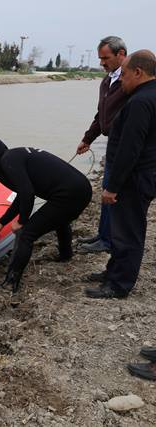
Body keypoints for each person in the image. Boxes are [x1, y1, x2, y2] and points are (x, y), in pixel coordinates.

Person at [0, 136, 92, 293]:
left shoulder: (8, 159)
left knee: (26, 234)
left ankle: (11, 282)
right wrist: (2, 223)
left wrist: (22, 221)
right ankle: (66, 255)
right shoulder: (14, 156)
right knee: (59, 219)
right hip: (80, 188)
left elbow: (27, 193)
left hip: (70, 194)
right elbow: (22, 194)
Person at [85, 50, 156, 299]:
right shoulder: (148, 96)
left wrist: (112, 186)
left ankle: (119, 285)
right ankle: (113, 272)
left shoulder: (140, 102)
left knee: (128, 232)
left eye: (124, 76)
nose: (121, 81)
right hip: (143, 175)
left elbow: (130, 148)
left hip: (133, 179)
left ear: (138, 72)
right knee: (121, 229)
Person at [77, 36, 129, 254]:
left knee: (112, 192)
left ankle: (108, 240)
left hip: (125, 145)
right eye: (100, 58)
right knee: (107, 190)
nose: (101, 63)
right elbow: (102, 115)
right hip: (112, 144)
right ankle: (103, 235)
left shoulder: (130, 81)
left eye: (105, 58)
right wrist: (88, 139)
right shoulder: (107, 81)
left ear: (121, 54)